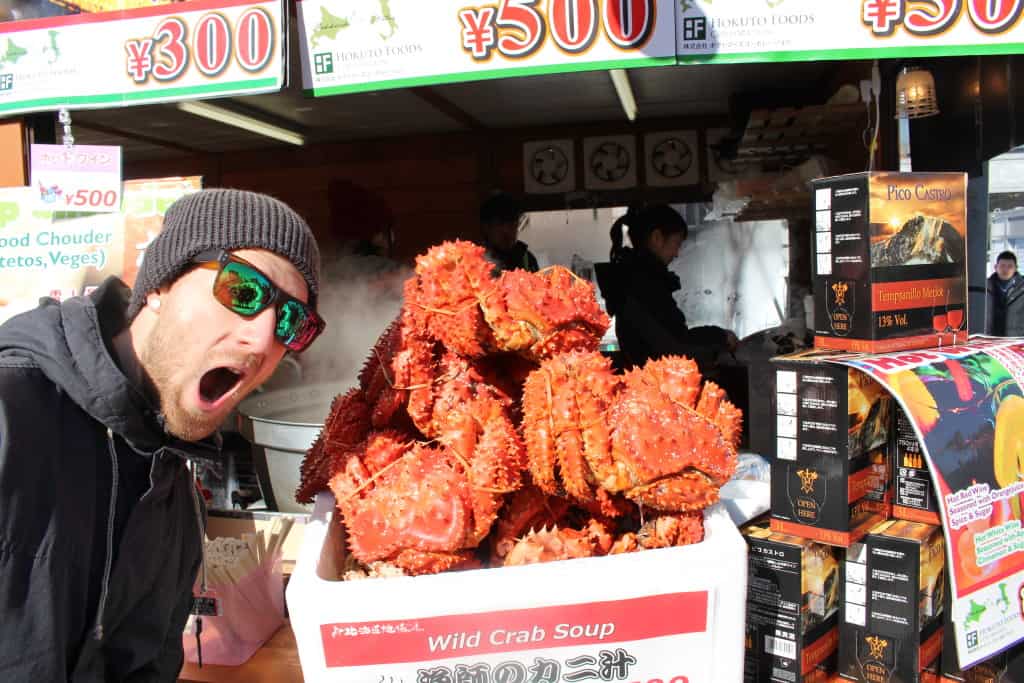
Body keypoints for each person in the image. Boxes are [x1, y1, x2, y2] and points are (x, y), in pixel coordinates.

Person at [0, 189, 323, 680]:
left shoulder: (175, 499)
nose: (261, 338)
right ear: (159, 285)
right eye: (242, 290)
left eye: (291, 322)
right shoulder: (12, 417)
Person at [596, 204, 735, 371]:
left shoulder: (635, 280)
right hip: (658, 383)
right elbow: (674, 349)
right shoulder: (644, 285)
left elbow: (672, 338)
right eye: (676, 244)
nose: (676, 253)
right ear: (657, 238)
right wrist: (720, 338)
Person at [479, 192, 539, 272]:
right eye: (500, 224)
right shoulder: (476, 260)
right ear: (486, 227)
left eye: (512, 224)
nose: (506, 230)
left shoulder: (527, 259)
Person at [986, 250, 1024, 336]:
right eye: (1002, 266)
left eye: (1010, 266)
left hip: (1016, 340)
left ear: (1016, 268)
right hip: (990, 339)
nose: (1005, 269)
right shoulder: (985, 287)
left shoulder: (1022, 288)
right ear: (996, 267)